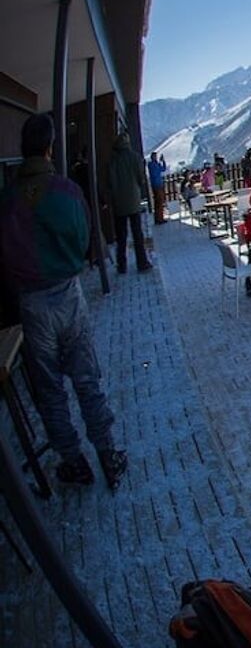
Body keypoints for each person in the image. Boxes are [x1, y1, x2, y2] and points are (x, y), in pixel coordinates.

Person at [0, 114, 127, 488]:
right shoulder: (65, 191)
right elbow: (85, 236)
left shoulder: (6, 201)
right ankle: (107, 453)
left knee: (49, 389)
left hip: (31, 304)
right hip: (68, 294)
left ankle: (73, 462)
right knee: (86, 378)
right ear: (50, 147)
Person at [105, 134, 153, 274]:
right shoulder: (135, 157)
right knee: (137, 233)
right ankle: (142, 262)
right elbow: (141, 178)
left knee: (121, 236)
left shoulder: (113, 160)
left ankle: (122, 265)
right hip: (133, 201)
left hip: (118, 204)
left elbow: (110, 182)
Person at [147, 151, 168, 224]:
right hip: (156, 184)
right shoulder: (151, 165)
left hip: (159, 184)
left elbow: (163, 169)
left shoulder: (155, 164)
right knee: (159, 202)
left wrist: (163, 161)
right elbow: (157, 171)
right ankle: (159, 219)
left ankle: (159, 217)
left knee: (159, 202)